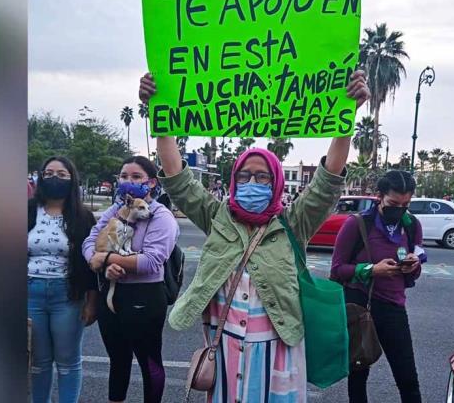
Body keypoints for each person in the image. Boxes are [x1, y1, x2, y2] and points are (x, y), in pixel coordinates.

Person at [140, 70, 370, 402]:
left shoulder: (294, 222)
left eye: (262, 177)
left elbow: (327, 180)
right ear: (234, 180)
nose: (252, 183)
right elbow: (178, 178)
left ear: (276, 183)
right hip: (224, 347)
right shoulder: (218, 216)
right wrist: (158, 111)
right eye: (245, 176)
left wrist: (346, 114)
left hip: (278, 351)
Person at [82, 156, 179, 403]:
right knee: (118, 360)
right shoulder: (116, 210)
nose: (128, 181)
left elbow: (150, 262)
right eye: (124, 176)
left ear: (152, 182)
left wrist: (106, 259)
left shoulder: (161, 215)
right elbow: (90, 240)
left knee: (150, 364)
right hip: (112, 296)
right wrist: (99, 259)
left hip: (144, 297)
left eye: (136, 177)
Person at [330, 170, 425, 403]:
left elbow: (418, 265)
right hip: (361, 307)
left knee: (408, 379)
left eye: (406, 204)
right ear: (379, 196)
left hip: (393, 308)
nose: (400, 209)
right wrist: (372, 270)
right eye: (393, 203)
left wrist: (412, 266)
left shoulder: (411, 225)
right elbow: (337, 270)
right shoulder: (358, 224)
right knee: (358, 375)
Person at [28, 156, 98, 403]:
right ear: (40, 177)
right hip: (29, 295)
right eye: (48, 173)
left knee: (68, 362)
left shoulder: (83, 218)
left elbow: (90, 266)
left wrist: (92, 302)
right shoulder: (26, 210)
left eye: (61, 174)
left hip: (67, 296)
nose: (54, 178)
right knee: (38, 363)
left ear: (72, 180)